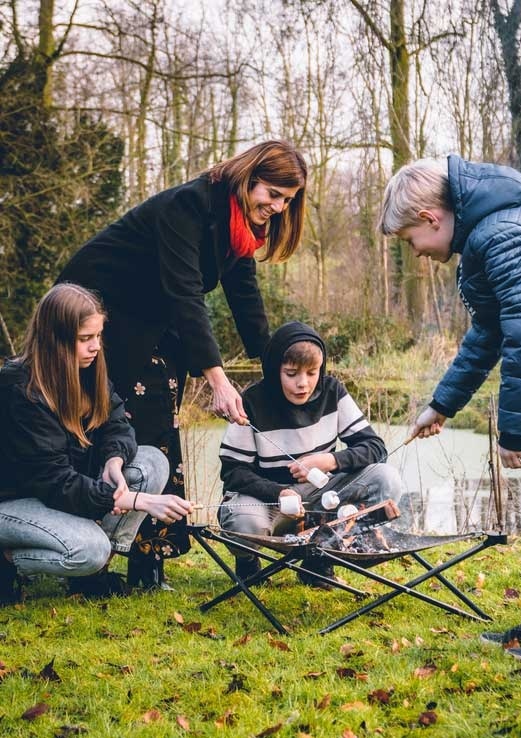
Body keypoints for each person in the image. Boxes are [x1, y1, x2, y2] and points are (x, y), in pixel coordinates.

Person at [56, 140, 307, 588]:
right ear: (248, 178)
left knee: (161, 430)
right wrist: (218, 380)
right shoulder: (189, 206)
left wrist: (274, 368)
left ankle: (148, 561)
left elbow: (244, 295)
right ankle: (88, 562)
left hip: (154, 320)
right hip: (100, 312)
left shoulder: (238, 226)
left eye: (286, 200)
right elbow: (185, 293)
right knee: (106, 430)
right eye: (272, 194)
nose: (277, 207)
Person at [378, 154, 521, 664]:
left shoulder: (503, 234)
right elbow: (488, 334)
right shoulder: (490, 234)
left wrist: (513, 431)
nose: (417, 252)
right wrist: (441, 404)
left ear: (430, 218)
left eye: (410, 240)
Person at [0, 284, 194, 605]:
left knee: (152, 462)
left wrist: (113, 461)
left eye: (99, 336)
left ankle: (93, 575)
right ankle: (8, 561)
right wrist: (136, 500)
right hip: (14, 502)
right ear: (54, 339)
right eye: (84, 339)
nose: (95, 347)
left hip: (59, 491)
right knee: (88, 550)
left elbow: (117, 424)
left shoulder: (89, 371)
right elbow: (54, 481)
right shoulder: (21, 390)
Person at [218, 321, 403, 588]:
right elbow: (233, 471)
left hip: (321, 498)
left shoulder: (332, 392)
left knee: (387, 478)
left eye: (312, 373)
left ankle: (319, 560)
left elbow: (375, 447)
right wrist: (278, 492)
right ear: (275, 370)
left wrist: (330, 461)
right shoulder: (252, 401)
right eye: (291, 374)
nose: (303, 383)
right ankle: (248, 562)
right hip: (267, 500)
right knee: (244, 524)